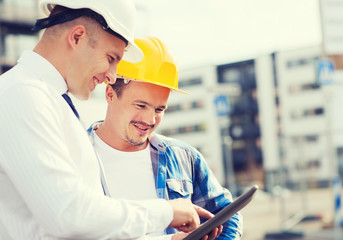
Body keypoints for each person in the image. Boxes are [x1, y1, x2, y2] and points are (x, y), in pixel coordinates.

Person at [0, 1, 213, 239]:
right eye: (111, 58)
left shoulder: (49, 101)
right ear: (78, 37)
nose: (111, 76)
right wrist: (166, 212)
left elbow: (85, 231)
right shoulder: (21, 95)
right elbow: (69, 216)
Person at [87, 36, 243, 239]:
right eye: (140, 105)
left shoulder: (185, 158)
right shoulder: (76, 155)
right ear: (110, 94)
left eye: (159, 109)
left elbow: (227, 216)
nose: (150, 120)